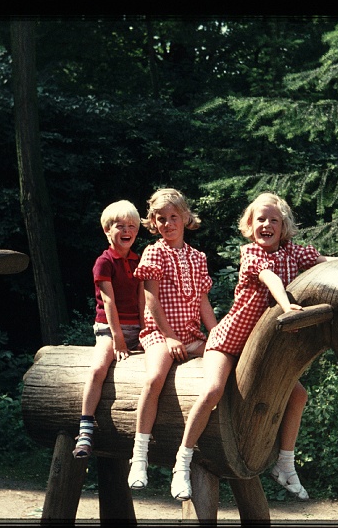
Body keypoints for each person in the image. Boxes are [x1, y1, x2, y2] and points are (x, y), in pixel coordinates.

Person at [170, 192, 338, 501]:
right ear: (249, 225)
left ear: (284, 226)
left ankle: (285, 465)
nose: (267, 225)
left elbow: (332, 262)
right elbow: (270, 280)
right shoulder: (251, 254)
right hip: (230, 342)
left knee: (298, 395)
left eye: (274, 220)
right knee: (213, 390)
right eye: (261, 219)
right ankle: (183, 459)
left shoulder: (294, 254)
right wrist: (286, 304)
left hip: (258, 350)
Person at [127, 188, 218, 490]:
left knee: (223, 366)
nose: (168, 224)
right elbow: (151, 299)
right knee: (154, 378)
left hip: (192, 335)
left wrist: (216, 333)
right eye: (161, 219)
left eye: (173, 217)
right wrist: (167, 337)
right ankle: (139, 457)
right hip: (159, 334)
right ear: (153, 222)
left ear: (186, 218)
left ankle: (191, 455)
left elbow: (204, 302)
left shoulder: (198, 257)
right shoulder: (155, 252)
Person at [73, 200, 146, 459]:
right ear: (107, 230)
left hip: (137, 326)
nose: (126, 230)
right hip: (109, 327)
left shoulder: (139, 260)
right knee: (98, 368)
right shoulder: (104, 262)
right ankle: (85, 428)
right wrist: (118, 340)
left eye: (132, 226)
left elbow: (142, 298)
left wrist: (146, 330)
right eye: (119, 226)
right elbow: (109, 301)